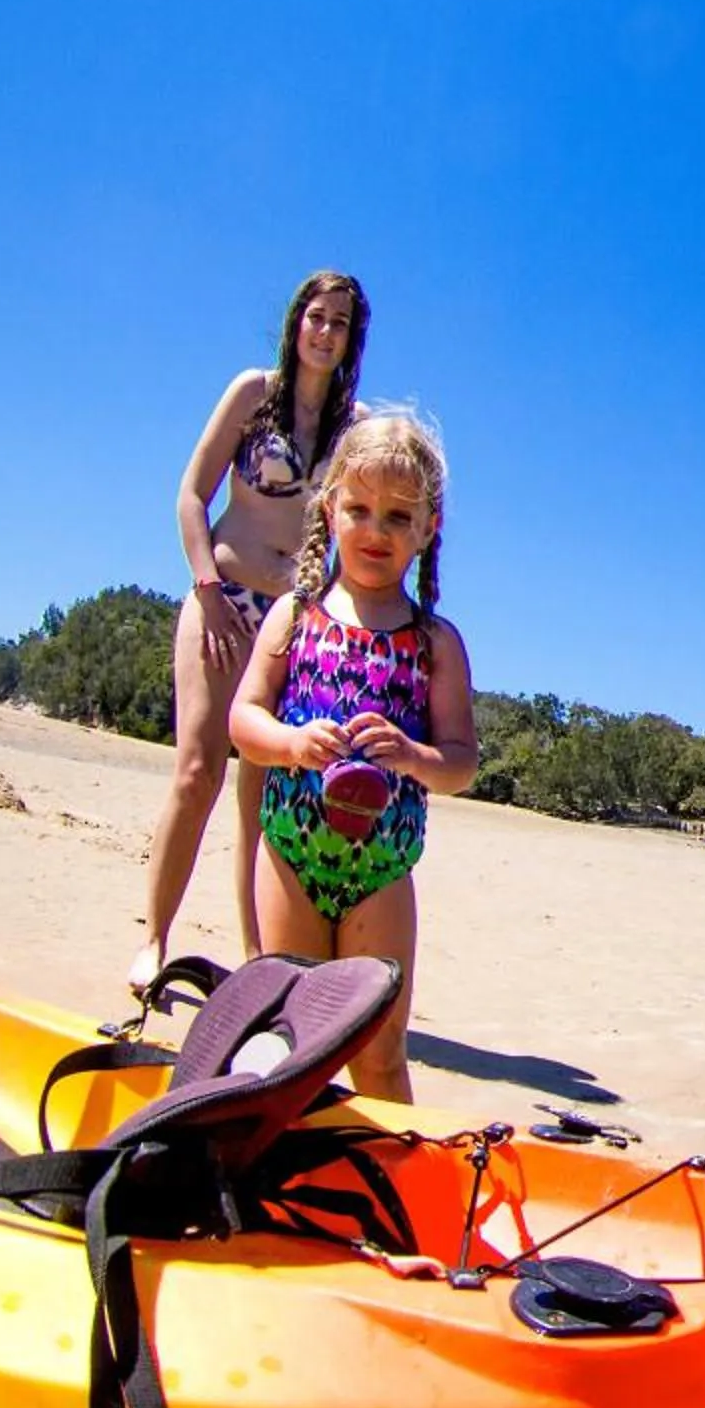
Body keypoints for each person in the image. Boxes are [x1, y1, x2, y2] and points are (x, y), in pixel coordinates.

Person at [227, 410, 478, 1102]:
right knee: (287, 1048)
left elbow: (461, 762)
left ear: (429, 529)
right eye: (360, 509)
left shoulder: (436, 643)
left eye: (399, 518)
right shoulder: (294, 616)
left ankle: (397, 1186)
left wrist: (411, 754)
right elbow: (243, 720)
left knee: (379, 1053)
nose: (376, 531)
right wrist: (291, 744)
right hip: (289, 855)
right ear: (329, 507)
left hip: (382, 871)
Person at [130, 270, 369, 994]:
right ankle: (153, 941)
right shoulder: (251, 395)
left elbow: (360, 528)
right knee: (199, 770)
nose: (325, 333)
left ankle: (257, 964)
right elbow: (189, 496)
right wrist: (206, 590)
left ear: (353, 340)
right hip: (221, 601)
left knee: (262, 796)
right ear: (296, 323)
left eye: (341, 324)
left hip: (289, 622)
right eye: (317, 318)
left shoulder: (353, 431)